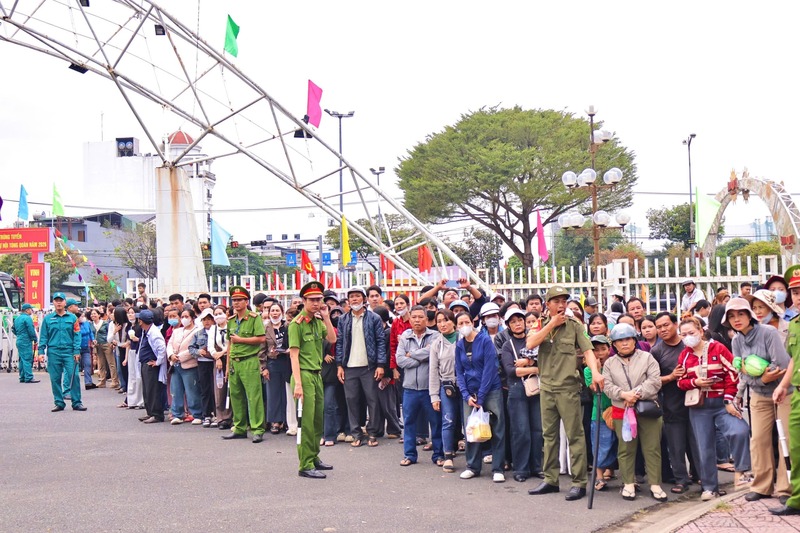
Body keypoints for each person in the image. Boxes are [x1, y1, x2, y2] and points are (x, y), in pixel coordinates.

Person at [526, 286, 603, 501]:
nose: (561, 305)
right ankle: (551, 479)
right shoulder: (539, 324)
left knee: (574, 436)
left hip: (568, 388)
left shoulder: (575, 325)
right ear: (548, 305)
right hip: (546, 388)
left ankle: (579, 483)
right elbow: (530, 343)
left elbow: (588, 351)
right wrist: (551, 323)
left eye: (564, 301)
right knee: (549, 436)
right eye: (556, 301)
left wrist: (595, 373)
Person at [725, 297, 792, 503]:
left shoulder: (768, 332)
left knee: (785, 439)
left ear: (750, 315)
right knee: (758, 440)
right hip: (759, 394)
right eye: (732, 316)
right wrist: (761, 377)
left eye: (741, 314)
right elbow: (740, 371)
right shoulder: (736, 341)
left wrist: (754, 372)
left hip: (784, 391)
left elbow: (780, 365)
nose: (737, 319)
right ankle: (762, 486)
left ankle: (786, 489)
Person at [677, 316, 751, 501]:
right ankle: (710, 487)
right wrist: (695, 382)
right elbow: (680, 382)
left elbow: (733, 373)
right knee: (704, 447)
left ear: (701, 331)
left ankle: (742, 472)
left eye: (691, 333)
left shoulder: (717, 348)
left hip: (721, 402)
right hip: (699, 407)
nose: (688, 337)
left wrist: (728, 399)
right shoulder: (684, 355)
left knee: (740, 431)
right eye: (684, 334)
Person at [602, 324, 667, 502]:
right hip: (621, 409)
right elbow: (607, 386)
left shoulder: (647, 357)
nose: (624, 343)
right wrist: (623, 395)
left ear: (634, 340)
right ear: (614, 344)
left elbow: (655, 381)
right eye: (620, 340)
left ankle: (655, 484)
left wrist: (635, 394)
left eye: (628, 339)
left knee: (652, 447)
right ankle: (628, 483)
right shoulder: (609, 363)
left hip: (647, 408)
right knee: (625, 448)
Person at [288, 281, 337, 479]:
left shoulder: (317, 322)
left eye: (319, 299)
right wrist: (298, 384)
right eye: (312, 300)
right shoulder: (296, 324)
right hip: (304, 375)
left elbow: (332, 339)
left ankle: (314, 456)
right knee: (306, 422)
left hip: (317, 375)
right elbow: (293, 355)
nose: (316, 303)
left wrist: (326, 317)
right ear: (304, 300)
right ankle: (305, 464)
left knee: (317, 420)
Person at [455, 311, 506, 482]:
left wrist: (482, 396)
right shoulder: (459, 345)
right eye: (460, 323)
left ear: (473, 322)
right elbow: (459, 371)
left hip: (491, 390)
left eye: (466, 322)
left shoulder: (484, 340)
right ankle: (472, 466)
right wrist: (466, 394)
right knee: (471, 429)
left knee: (497, 428)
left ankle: (498, 468)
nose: (464, 326)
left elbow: (490, 369)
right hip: (469, 393)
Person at [335, 286, 387, 448]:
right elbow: (339, 343)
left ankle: (372, 433)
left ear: (364, 299)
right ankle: (356, 434)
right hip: (349, 367)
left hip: (369, 367)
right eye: (351, 297)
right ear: (348, 300)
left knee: (373, 401)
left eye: (358, 296)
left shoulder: (374, 318)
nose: (354, 299)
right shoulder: (343, 319)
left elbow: (380, 342)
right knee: (351, 401)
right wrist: (339, 365)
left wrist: (380, 365)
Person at [770, 264, 800, 516]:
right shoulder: (795, 323)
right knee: (797, 449)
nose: (798, 297)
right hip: (797, 393)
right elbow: (793, 360)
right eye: (796, 293)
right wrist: (782, 385)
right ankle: (797, 499)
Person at [397, 306, 443, 467]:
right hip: (409, 388)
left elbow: (433, 353)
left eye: (420, 317)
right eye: (414, 317)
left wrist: (412, 354)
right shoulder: (405, 336)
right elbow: (400, 360)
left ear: (426, 319)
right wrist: (420, 358)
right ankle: (409, 455)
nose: (417, 320)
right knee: (409, 422)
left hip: (430, 389)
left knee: (436, 423)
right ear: (410, 319)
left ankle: (438, 455)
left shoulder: (435, 335)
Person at [500, 308, 542, 483]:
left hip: (536, 388)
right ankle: (521, 468)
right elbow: (510, 370)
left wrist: (527, 363)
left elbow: (545, 363)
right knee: (521, 430)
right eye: (513, 322)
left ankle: (537, 467)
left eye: (520, 320)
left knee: (538, 430)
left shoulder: (534, 340)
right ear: (508, 326)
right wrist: (535, 367)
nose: (517, 324)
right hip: (516, 389)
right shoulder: (507, 345)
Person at [223, 286, 267, 443]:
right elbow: (230, 343)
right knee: (236, 396)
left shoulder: (254, 318)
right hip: (235, 362)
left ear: (246, 301)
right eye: (234, 300)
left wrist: (241, 340)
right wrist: (227, 365)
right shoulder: (231, 320)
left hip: (249, 360)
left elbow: (261, 338)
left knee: (254, 396)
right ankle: (239, 427)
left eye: (239, 300)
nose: (236, 303)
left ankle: (257, 429)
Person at [38, 293, 85, 412]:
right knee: (55, 378)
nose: (58, 302)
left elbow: (77, 335)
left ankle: (77, 402)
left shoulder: (72, 318)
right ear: (53, 302)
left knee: (74, 376)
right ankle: (59, 402)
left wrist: (76, 350)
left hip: (69, 351)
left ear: (65, 303)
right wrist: (41, 351)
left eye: (61, 300)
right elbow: (43, 336)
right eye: (56, 300)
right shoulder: (48, 319)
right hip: (53, 352)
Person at [429, 309, 461, 473]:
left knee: (468, 421)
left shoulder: (463, 338)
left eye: (446, 320)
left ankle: (474, 457)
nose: (442, 324)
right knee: (448, 421)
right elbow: (433, 371)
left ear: (453, 322)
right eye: (439, 321)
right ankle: (448, 455)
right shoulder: (436, 344)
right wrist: (434, 396)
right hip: (446, 386)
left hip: (466, 386)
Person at [585, 335, 615, 491]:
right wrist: (596, 369)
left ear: (609, 350)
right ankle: (599, 477)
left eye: (603, 349)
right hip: (599, 412)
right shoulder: (588, 370)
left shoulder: (615, 366)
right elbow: (595, 388)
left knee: (617, 445)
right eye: (596, 350)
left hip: (617, 410)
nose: (600, 353)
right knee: (600, 445)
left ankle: (614, 471)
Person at [168, 308, 202, 425]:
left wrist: (180, 357)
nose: (184, 319)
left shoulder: (198, 330)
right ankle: (177, 414)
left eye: (186, 316)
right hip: (175, 364)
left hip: (189, 364)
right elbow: (169, 344)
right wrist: (171, 355)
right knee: (176, 390)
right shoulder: (177, 331)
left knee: (192, 390)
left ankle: (197, 413)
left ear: (192, 318)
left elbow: (195, 347)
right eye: (182, 317)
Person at [188, 308, 218, 428]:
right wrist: (198, 352)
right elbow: (191, 348)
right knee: (205, 389)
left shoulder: (217, 332)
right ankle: (207, 415)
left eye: (209, 319)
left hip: (216, 363)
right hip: (203, 363)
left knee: (216, 390)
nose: (207, 322)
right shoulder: (198, 333)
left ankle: (217, 414)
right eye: (204, 319)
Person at [263, 302, 290, 434]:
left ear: (282, 312)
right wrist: (263, 368)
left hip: (286, 361)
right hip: (272, 362)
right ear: (269, 313)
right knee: (273, 393)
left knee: (286, 392)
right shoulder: (265, 328)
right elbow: (261, 349)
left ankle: (286, 420)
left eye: (277, 310)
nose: (275, 313)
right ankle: (274, 421)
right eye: (272, 311)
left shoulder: (288, 326)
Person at [137, 309, 168, 424]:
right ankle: (150, 412)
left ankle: (157, 414)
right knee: (147, 390)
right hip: (145, 363)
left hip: (151, 365)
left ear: (141, 321)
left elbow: (162, 348)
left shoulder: (154, 332)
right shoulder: (146, 331)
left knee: (153, 390)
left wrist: (158, 362)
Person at [211, 306, 232, 429]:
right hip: (218, 360)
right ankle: (221, 418)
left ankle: (232, 417)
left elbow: (231, 343)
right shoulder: (213, 329)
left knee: (232, 388)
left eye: (220, 313)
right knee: (220, 390)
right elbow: (210, 346)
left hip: (230, 357)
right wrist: (217, 357)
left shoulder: (230, 326)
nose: (218, 316)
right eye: (216, 314)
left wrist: (223, 352)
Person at [90, 308, 117, 388]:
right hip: (98, 345)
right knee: (101, 364)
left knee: (111, 363)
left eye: (95, 314)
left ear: (99, 315)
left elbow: (110, 333)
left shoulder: (105, 323)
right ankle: (102, 380)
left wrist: (112, 342)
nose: (93, 315)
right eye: (92, 314)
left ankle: (115, 381)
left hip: (106, 344)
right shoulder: (91, 324)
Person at [13, 303, 39, 384]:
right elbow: (31, 330)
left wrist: (19, 335)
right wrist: (34, 339)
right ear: (27, 310)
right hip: (26, 341)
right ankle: (29, 377)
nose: (32, 311)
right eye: (31, 309)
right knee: (27, 358)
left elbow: (13, 329)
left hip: (19, 340)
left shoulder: (17, 318)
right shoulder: (27, 318)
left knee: (22, 359)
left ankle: (22, 377)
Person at [78, 310, 96, 390]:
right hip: (77, 348)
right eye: (81, 316)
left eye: (83, 316)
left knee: (88, 364)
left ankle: (88, 382)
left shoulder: (87, 323)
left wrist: (93, 339)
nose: (83, 318)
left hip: (86, 347)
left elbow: (90, 332)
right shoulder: (74, 324)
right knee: (75, 366)